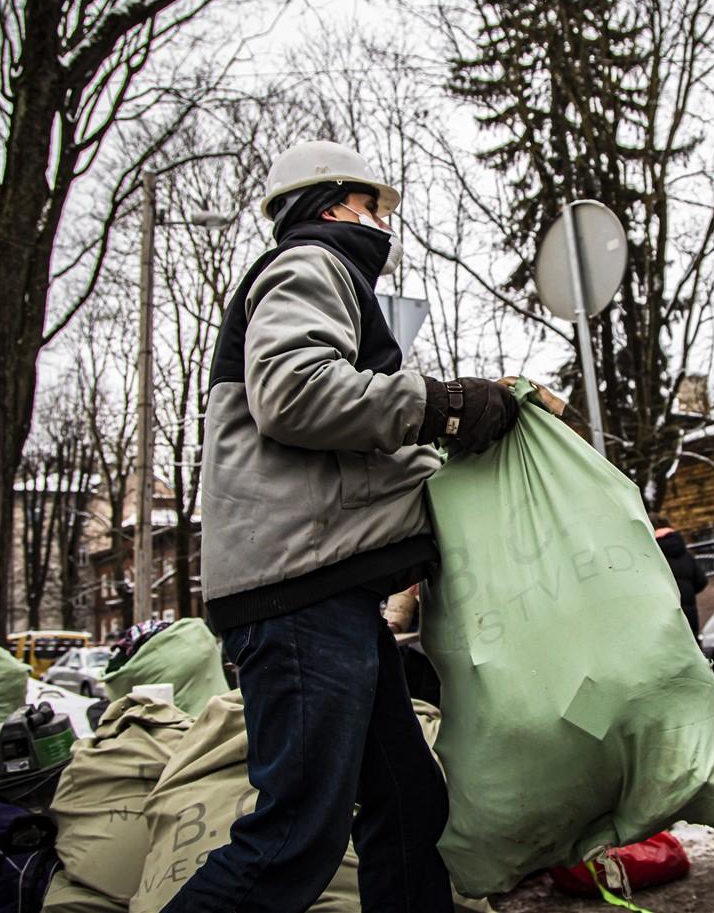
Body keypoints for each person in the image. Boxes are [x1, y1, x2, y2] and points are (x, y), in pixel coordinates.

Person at [169, 140, 520, 913]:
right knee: (294, 837)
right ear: (333, 205)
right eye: (371, 205)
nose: (379, 222)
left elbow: (347, 447)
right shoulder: (312, 263)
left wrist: (438, 450)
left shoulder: (322, 274)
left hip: (324, 591)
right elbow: (296, 393)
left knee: (409, 804)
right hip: (295, 594)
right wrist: (443, 405)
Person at [651, 514, 707, 639]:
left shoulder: (651, 554)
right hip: (689, 617)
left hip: (664, 617)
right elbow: (701, 581)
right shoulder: (686, 555)